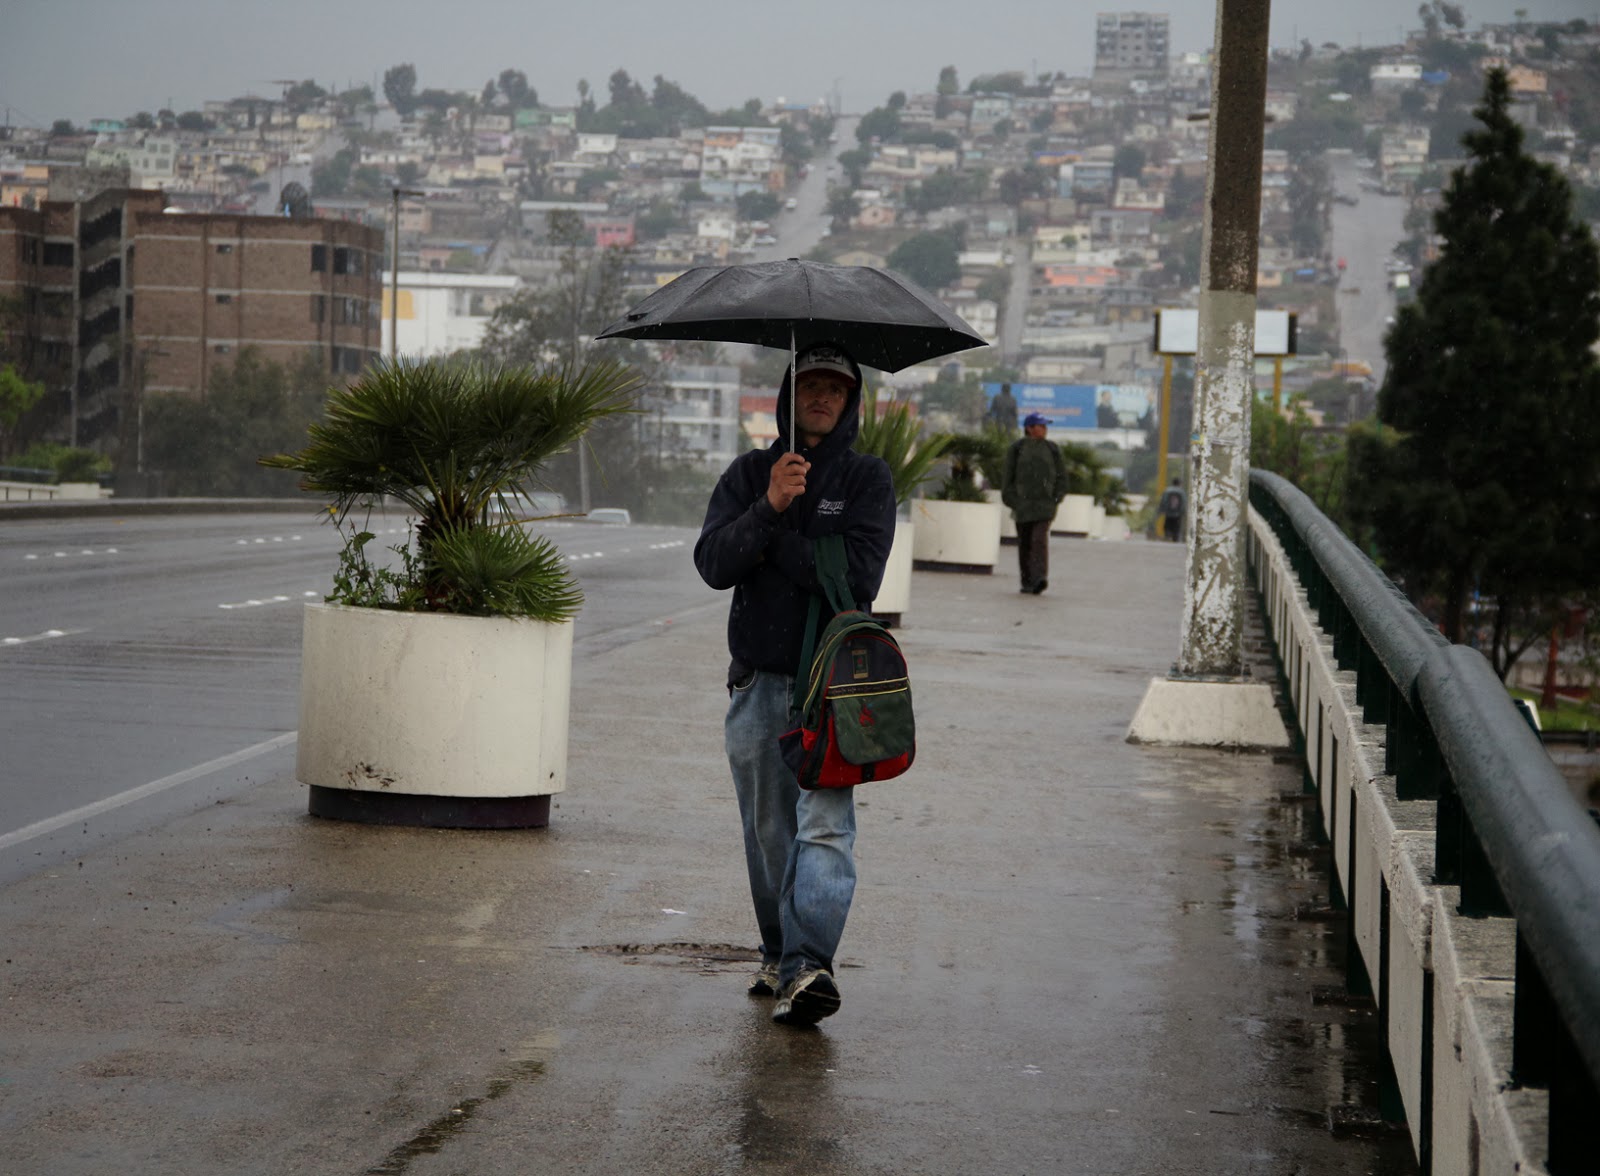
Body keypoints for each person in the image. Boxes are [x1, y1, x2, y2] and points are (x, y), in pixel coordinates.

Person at [693, 341, 896, 1027]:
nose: (823, 396)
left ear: (851, 401)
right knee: (770, 832)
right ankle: (780, 954)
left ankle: (811, 964)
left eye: (836, 387)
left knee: (827, 829)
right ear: (789, 391)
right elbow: (715, 564)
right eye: (810, 382)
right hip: (756, 685)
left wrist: (776, 537)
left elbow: (854, 578)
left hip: (834, 690)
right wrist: (769, 504)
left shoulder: (868, 481)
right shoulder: (751, 473)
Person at [1001, 411, 1069, 595]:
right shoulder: (1017, 448)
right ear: (1029, 428)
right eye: (1041, 426)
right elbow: (1008, 478)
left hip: (1044, 506)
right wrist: (1012, 500)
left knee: (1039, 540)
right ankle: (1027, 582)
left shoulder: (1052, 449)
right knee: (1025, 544)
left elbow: (1062, 477)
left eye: (1045, 426)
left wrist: (1056, 499)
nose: (1044, 430)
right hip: (1022, 507)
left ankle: (1040, 578)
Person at [1158, 477, 1186, 541]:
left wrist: (1161, 510)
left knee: (1167, 524)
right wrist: (1183, 511)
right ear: (1179, 483)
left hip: (1168, 512)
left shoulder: (1167, 490)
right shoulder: (1181, 492)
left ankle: (1167, 535)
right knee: (1176, 526)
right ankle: (1175, 537)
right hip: (1177, 513)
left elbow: (1163, 501)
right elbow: (1183, 502)